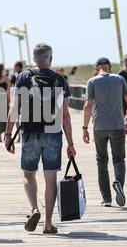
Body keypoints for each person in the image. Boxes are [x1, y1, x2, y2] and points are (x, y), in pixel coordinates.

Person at [5, 43, 75, 234]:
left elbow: (14, 108)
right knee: (50, 179)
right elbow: (65, 115)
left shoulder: (23, 77)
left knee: (29, 174)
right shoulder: (59, 79)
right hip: (53, 133)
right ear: (50, 59)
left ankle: (34, 208)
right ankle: (47, 224)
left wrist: (8, 134)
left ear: (34, 59)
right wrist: (70, 143)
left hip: (29, 132)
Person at [82, 57, 127, 207]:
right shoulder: (119, 79)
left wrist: (85, 128)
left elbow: (87, 106)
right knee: (119, 160)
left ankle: (106, 199)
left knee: (101, 161)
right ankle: (118, 183)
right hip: (117, 126)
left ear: (96, 67)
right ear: (109, 67)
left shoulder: (92, 82)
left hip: (99, 127)